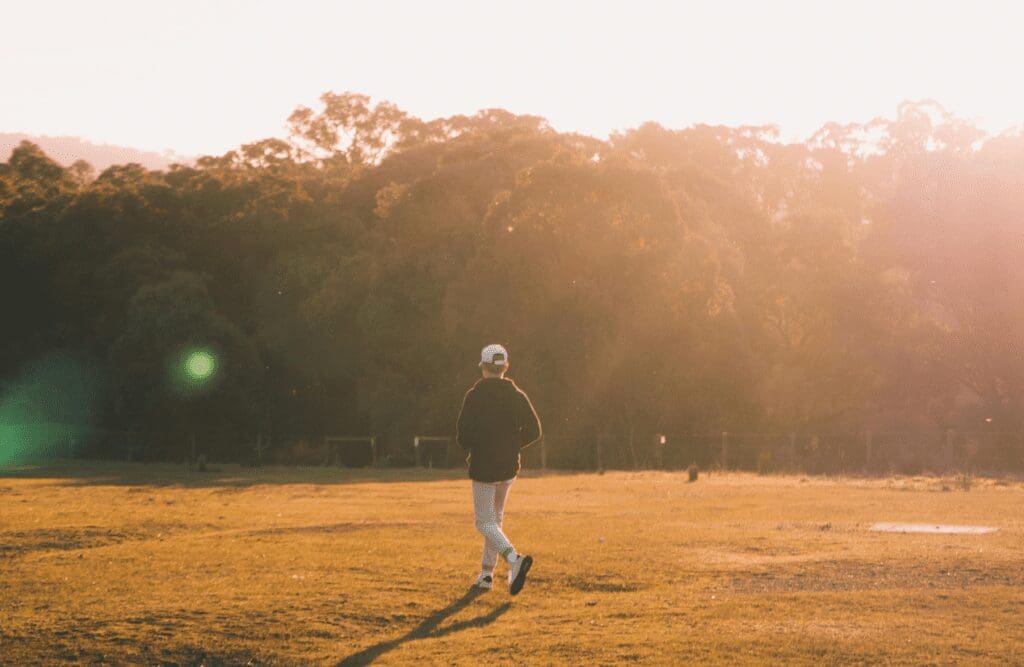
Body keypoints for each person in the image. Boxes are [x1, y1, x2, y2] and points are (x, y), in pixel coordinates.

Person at [456, 343, 542, 595]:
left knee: (484, 523)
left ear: (483, 367)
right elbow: (534, 430)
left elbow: (463, 436)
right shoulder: (516, 395)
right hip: (508, 467)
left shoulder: (474, 395)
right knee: (495, 520)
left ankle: (513, 559)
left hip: (484, 466)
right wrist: (513, 444)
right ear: (505, 367)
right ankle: (486, 574)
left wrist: (481, 444)